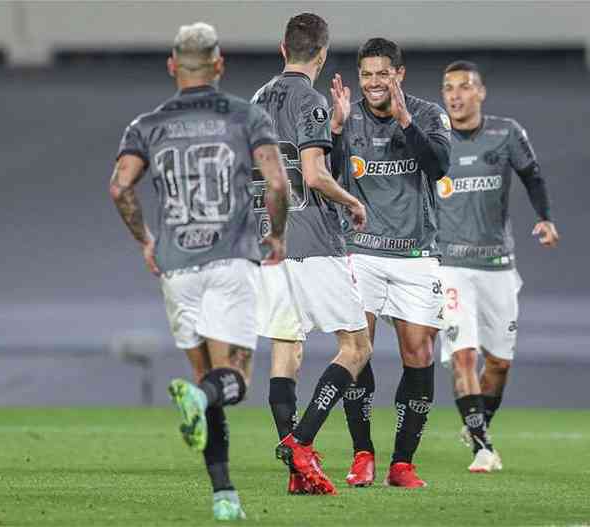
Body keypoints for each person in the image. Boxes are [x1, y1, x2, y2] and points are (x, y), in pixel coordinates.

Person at [109, 22, 288, 520]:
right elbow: (276, 184)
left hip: (176, 268)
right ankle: (200, 405)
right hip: (230, 259)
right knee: (232, 380)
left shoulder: (147, 125)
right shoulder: (246, 117)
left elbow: (121, 188)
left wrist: (146, 240)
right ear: (219, 64)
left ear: (172, 66)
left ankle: (224, 494)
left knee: (206, 380)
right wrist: (276, 234)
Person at [251, 13, 372, 496]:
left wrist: (335, 129)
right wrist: (352, 201)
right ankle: (301, 443)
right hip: (314, 242)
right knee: (356, 346)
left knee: (286, 350)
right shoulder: (310, 99)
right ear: (321, 54)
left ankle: (297, 473)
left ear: (283, 48)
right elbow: (316, 174)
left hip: (271, 244)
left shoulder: (257, 101)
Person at [330, 37, 451, 488]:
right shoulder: (348, 114)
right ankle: (363, 453)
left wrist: (404, 121)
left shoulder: (426, 114)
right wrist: (338, 131)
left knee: (418, 354)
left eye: (383, 73)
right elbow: (334, 176)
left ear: (399, 74)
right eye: (367, 74)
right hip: (361, 251)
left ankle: (402, 463)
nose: (374, 82)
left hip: (418, 255)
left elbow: (439, 166)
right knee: (355, 353)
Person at [437, 60, 559, 472]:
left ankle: (477, 425)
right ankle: (482, 447)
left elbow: (533, 176)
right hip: (450, 265)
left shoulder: (506, 133)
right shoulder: (434, 137)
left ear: (480, 93)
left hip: (498, 265)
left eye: (464, 86)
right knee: (464, 356)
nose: (455, 94)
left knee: (500, 364)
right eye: (448, 87)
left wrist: (544, 218)